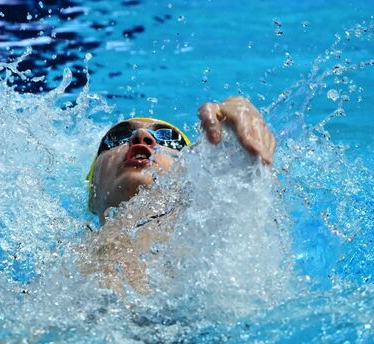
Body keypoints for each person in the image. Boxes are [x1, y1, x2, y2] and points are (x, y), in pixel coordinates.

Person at [78, 96, 276, 295]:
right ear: (92, 194)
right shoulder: (55, 260)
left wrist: (234, 143)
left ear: (189, 180)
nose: (141, 136)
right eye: (119, 136)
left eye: (169, 139)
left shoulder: (214, 266)